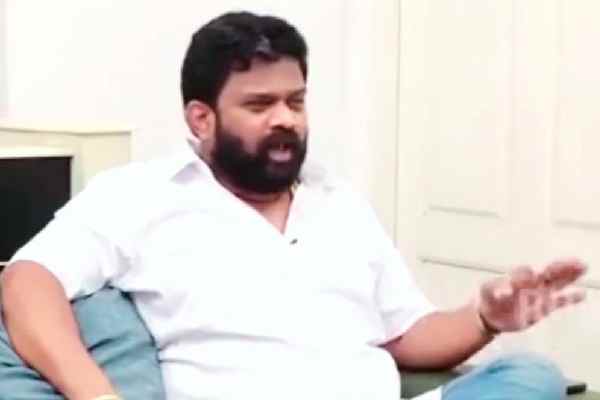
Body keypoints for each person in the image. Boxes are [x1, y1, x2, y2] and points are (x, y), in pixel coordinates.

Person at [0, 11, 587, 400]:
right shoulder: (143, 195)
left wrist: (484, 318)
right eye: (260, 105)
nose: (286, 119)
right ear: (201, 118)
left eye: (296, 101)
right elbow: (28, 280)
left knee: (530, 377)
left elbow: (407, 334)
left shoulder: (340, 202)